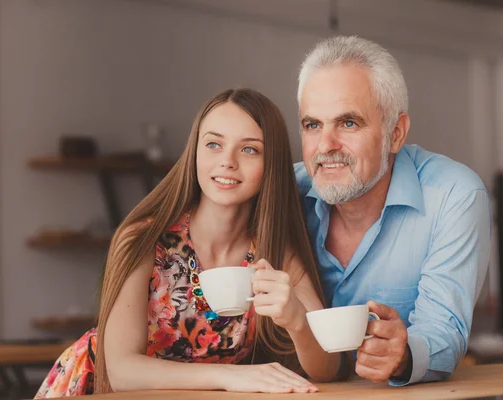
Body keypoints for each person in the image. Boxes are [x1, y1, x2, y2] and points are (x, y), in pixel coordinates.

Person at [35, 88, 343, 398]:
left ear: (272, 164)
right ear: (194, 151)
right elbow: (122, 371)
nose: (227, 162)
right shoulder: (142, 240)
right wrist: (231, 377)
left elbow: (326, 367)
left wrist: (297, 321)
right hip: (93, 390)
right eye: (213, 144)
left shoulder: (274, 252)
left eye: (249, 150)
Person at [294, 35, 491, 386]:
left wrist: (405, 355)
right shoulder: (285, 192)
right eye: (312, 125)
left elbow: (443, 330)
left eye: (348, 123)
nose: (325, 146)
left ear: (395, 133)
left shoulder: (453, 195)